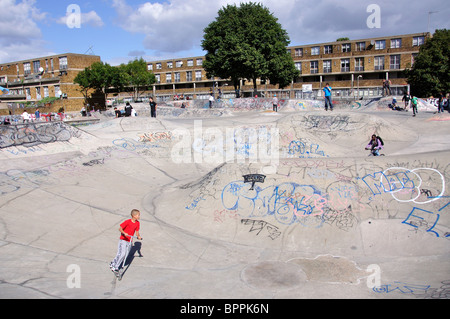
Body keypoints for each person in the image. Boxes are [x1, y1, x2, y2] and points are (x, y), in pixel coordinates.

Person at [110, 209, 142, 274]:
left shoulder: (137, 223)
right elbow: (120, 228)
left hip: (130, 240)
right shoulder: (127, 222)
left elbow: (137, 232)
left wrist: (139, 236)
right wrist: (124, 233)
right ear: (133, 215)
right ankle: (115, 267)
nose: (139, 216)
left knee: (125, 255)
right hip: (123, 240)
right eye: (138, 215)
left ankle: (113, 263)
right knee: (122, 254)